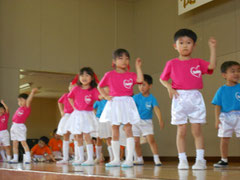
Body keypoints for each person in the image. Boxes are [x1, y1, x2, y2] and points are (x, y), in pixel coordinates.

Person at [160, 29, 217, 170]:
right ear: (175, 46)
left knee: (197, 130)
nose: (185, 45)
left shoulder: (197, 62)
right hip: (179, 97)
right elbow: (162, 79)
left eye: (188, 43)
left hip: (195, 97)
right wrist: (169, 87)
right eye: (181, 43)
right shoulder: (171, 63)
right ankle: (182, 160)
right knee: (181, 130)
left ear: (194, 45)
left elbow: (211, 67)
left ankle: (200, 160)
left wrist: (212, 48)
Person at [98, 48, 143, 168]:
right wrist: (106, 96)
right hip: (114, 102)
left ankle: (129, 159)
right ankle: (116, 159)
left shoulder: (131, 74)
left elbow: (140, 80)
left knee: (128, 129)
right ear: (114, 61)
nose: (124, 61)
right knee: (114, 129)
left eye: (127, 58)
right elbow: (100, 86)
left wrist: (138, 67)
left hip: (127, 102)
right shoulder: (109, 74)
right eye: (120, 58)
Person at [67, 67, 99, 166]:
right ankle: (80, 158)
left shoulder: (93, 90)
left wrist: (106, 92)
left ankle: (90, 158)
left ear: (92, 78)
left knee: (87, 135)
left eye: (87, 75)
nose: (84, 77)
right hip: (78, 114)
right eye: (82, 75)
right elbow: (70, 97)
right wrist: (74, 108)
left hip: (87, 114)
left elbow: (99, 97)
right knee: (78, 136)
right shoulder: (76, 88)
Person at [212, 61, 240, 168]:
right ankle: (224, 159)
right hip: (225, 117)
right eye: (233, 71)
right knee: (224, 138)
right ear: (224, 75)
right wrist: (216, 119)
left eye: (238, 71)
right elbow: (217, 105)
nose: (236, 73)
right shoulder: (221, 90)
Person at [133, 74, 164, 166]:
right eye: (139, 85)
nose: (141, 87)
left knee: (151, 140)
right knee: (136, 141)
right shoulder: (136, 97)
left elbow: (156, 108)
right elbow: (130, 109)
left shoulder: (152, 98)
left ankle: (156, 159)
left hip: (147, 122)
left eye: (144, 85)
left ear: (150, 86)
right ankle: (139, 159)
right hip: (136, 122)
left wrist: (160, 120)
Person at [10, 88, 38, 164]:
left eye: (21, 100)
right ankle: (15, 159)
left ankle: (28, 158)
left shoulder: (26, 108)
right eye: (18, 101)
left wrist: (32, 92)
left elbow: (29, 100)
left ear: (26, 100)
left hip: (20, 126)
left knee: (23, 143)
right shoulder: (19, 108)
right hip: (14, 126)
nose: (20, 102)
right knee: (15, 143)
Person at [93, 90, 113, 164]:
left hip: (107, 119)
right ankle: (98, 157)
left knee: (108, 138)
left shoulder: (109, 100)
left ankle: (112, 157)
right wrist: (95, 113)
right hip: (99, 119)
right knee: (99, 138)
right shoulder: (98, 101)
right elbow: (92, 107)